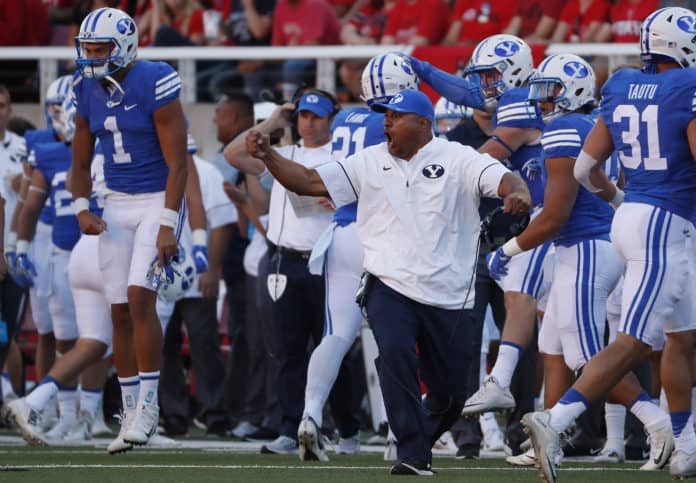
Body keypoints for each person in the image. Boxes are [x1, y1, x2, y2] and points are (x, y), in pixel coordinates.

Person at [244, 88, 531, 474]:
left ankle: (419, 438)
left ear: (423, 124)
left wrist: (518, 193)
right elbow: (309, 181)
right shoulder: (369, 161)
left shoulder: (460, 158)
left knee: (451, 394)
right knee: (395, 352)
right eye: (386, 116)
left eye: (395, 116)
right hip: (389, 283)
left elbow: (504, 180)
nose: (386, 123)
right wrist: (269, 155)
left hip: (450, 293)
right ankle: (412, 453)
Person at [523, 7, 696, 481]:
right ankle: (553, 420)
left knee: (684, 337)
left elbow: (584, 170)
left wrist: (623, 202)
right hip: (666, 221)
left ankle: (685, 446)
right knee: (635, 342)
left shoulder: (618, 83)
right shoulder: (687, 86)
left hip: (635, 215)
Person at [410, 38, 549, 458]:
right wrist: (423, 68)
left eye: (492, 75)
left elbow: (479, 162)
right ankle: (471, 432)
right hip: (483, 244)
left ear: (514, 72)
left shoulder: (523, 108)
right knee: (468, 342)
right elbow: (468, 93)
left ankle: (536, 428)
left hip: (527, 239)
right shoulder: (504, 104)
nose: (482, 85)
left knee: (539, 342)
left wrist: (432, 179)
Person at [488, 54, 625, 466]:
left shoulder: (567, 127)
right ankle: (548, 441)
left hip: (585, 246)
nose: (542, 101)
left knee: (587, 358)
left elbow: (554, 215)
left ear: (575, 90)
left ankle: (658, 424)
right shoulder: (587, 125)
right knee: (552, 348)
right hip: (586, 245)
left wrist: (508, 249)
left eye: (550, 91)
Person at [69, 7, 189, 453]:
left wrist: (168, 222)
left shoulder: (153, 79)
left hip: (156, 197)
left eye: (100, 49)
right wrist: (82, 206)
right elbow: (79, 161)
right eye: (88, 49)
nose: (92, 57)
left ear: (126, 46)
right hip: (115, 204)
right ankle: (129, 409)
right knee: (118, 308)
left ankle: (150, 408)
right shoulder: (86, 87)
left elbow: (180, 164)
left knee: (141, 297)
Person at [296, 52, 419, 462]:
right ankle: (396, 435)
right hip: (381, 235)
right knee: (393, 338)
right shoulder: (396, 122)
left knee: (337, 333)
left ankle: (311, 415)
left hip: (343, 233)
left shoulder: (346, 118)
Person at [225, 89, 360, 456]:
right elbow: (233, 154)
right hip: (284, 260)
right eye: (302, 116)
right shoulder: (285, 154)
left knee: (335, 345)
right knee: (285, 351)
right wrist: (272, 122)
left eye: (316, 116)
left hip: (329, 261)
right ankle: (289, 427)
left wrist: (342, 202)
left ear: (332, 119)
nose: (308, 122)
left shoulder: (345, 157)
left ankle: (347, 428)